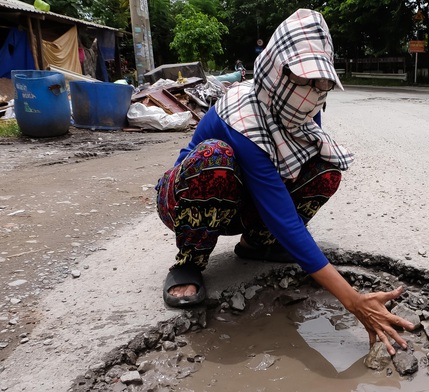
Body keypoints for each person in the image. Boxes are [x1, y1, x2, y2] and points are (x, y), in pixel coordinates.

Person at [155, 9, 413, 355]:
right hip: (192, 198)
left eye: (322, 83)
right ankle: (189, 262)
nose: (314, 93)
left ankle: (256, 244)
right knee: (214, 159)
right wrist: (354, 301)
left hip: (244, 201)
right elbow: (283, 215)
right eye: (305, 80)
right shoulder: (242, 115)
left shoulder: (304, 107)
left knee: (325, 165)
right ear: (275, 71)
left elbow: (287, 180)